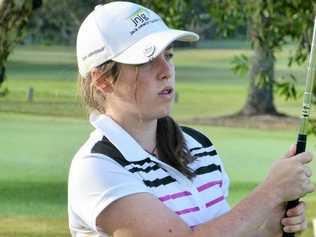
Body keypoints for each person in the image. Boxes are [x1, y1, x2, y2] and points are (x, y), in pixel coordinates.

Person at [68, 1, 314, 237]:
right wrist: (270, 192)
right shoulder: (97, 168)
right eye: (147, 61)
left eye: (169, 55)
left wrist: (269, 228)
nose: (166, 71)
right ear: (102, 80)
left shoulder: (198, 146)